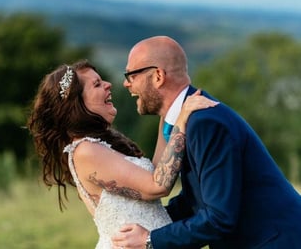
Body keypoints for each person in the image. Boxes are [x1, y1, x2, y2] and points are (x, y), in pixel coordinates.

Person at [112, 35, 301, 249]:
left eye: (131, 75)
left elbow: (219, 218)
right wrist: (149, 221)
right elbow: (196, 198)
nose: (126, 83)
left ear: (157, 76)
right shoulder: (188, 120)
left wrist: (149, 240)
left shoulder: (204, 122)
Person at [26, 59, 217, 248]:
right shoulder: (85, 151)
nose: (108, 85)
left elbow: (156, 171)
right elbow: (158, 186)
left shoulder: (101, 145)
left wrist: (166, 109)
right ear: (78, 103)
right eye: (97, 84)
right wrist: (182, 121)